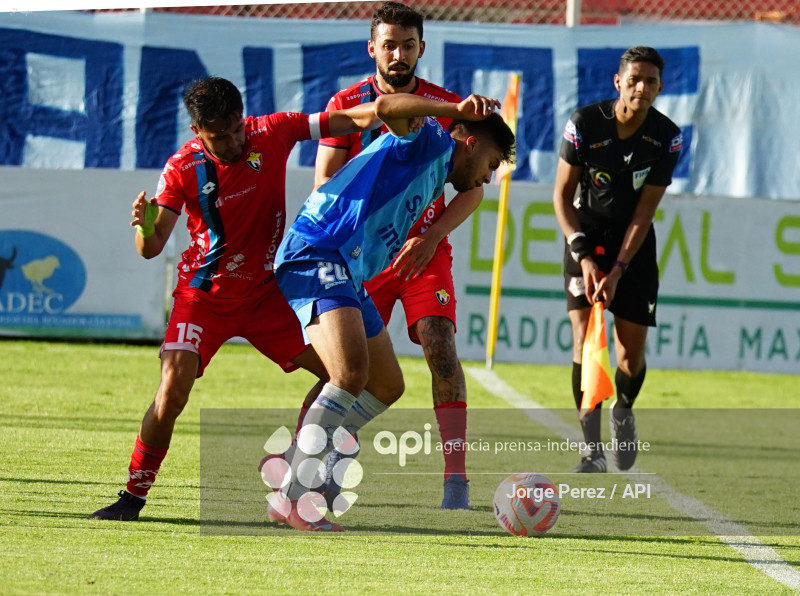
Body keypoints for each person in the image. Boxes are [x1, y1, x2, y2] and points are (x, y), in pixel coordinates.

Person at [90, 76, 385, 521]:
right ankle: (132, 498)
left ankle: (293, 468)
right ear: (197, 132)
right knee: (171, 394)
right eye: (218, 137)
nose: (231, 143)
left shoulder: (274, 130)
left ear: (243, 118)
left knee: (341, 378)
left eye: (235, 130)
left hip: (267, 294)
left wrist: (400, 114)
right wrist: (144, 226)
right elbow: (152, 249)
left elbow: (353, 117)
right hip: (204, 297)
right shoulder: (180, 168)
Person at [270, 91, 515, 531]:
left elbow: (468, 193)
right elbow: (384, 110)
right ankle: (296, 496)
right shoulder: (434, 141)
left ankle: (296, 467)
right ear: (472, 143)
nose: (487, 178)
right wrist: (453, 111)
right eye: (492, 165)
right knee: (348, 375)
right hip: (319, 251)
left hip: (349, 269)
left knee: (386, 385)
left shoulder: (441, 170)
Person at [312, 1, 481, 510]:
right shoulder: (347, 104)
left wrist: (430, 237)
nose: (399, 54)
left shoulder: (448, 107)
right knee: (346, 371)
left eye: (408, 45)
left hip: (424, 253)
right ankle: (316, 462)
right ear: (372, 48)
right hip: (364, 258)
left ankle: (456, 481)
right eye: (389, 44)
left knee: (440, 345)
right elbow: (324, 181)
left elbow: (472, 187)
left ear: (421, 49)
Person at [552, 46, 682, 473]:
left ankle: (623, 409)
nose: (641, 87)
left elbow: (644, 213)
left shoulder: (667, 136)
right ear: (618, 81)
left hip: (634, 246)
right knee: (585, 340)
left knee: (630, 355)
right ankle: (592, 452)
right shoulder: (584, 124)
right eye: (634, 79)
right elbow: (562, 197)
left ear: (660, 88)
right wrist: (585, 257)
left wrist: (620, 269)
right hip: (586, 240)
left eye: (651, 82)